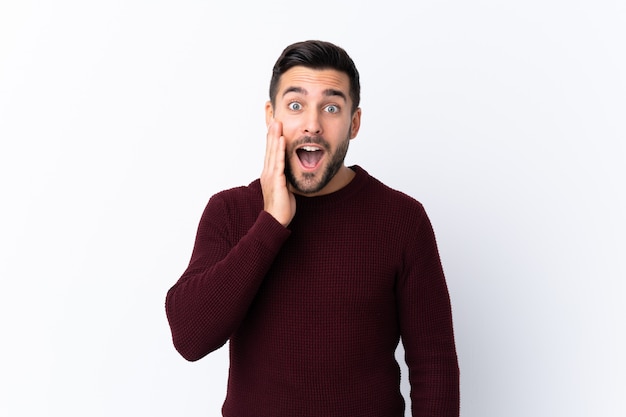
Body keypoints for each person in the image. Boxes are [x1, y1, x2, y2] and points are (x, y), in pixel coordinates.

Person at [165, 40, 460, 417]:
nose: (312, 124)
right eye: (295, 105)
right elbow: (190, 337)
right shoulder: (230, 211)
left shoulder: (403, 219)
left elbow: (434, 363)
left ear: (354, 123)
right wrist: (270, 224)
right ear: (272, 117)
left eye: (332, 107)